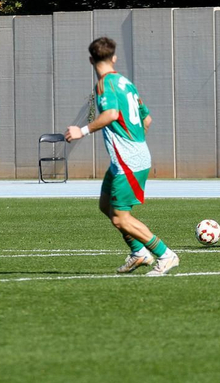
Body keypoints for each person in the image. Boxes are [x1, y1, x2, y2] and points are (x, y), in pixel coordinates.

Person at [65, 36, 179, 276]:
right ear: (114, 58)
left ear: (90, 60)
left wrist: (81, 130)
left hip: (128, 161)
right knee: (106, 205)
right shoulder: (126, 83)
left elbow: (111, 114)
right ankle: (139, 253)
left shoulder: (104, 84)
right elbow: (147, 118)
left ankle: (166, 255)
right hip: (128, 158)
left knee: (120, 218)